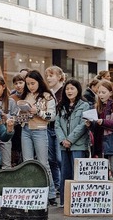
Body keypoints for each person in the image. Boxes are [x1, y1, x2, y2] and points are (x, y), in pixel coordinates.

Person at [86, 80, 113, 213]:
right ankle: (103, 202)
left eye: (103, 92)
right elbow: (96, 126)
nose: (101, 95)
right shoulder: (97, 106)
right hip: (100, 142)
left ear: (111, 92)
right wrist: (90, 124)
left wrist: (103, 121)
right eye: (99, 92)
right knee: (101, 172)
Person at [19, 70, 58, 205]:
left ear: (39, 82)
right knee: (27, 162)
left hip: (40, 130)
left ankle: (51, 193)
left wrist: (39, 112)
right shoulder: (26, 95)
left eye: (33, 83)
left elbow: (52, 116)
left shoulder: (47, 96)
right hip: (25, 129)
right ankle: (32, 191)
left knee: (43, 162)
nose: (30, 86)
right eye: (28, 84)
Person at [55, 79, 91, 207]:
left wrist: (70, 139)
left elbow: (83, 125)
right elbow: (57, 124)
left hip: (78, 145)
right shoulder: (61, 105)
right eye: (67, 89)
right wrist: (62, 140)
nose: (69, 91)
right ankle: (65, 201)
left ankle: (78, 202)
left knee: (78, 174)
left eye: (72, 88)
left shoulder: (84, 105)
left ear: (78, 90)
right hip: (64, 145)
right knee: (65, 173)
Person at [45, 66, 65, 194]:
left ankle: (64, 185)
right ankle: (57, 185)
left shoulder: (64, 91)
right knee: (51, 159)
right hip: (49, 127)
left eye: (51, 75)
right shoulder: (48, 92)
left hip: (60, 128)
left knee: (59, 158)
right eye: (47, 76)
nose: (48, 78)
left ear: (59, 77)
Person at [0, 76, 17, 169]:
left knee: (6, 163)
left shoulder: (11, 101)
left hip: (5, 136)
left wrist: (7, 117)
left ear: (3, 87)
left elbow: (16, 118)